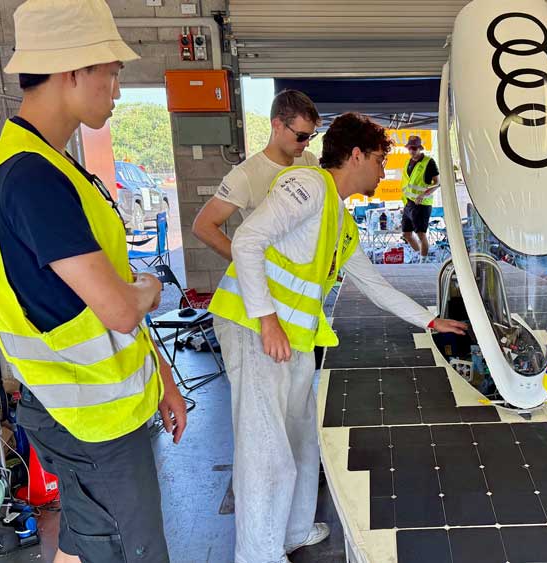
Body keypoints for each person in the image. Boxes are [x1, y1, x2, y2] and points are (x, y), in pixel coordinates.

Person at [0, 2, 186, 561]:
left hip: (89, 406)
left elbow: (94, 303)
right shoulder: (30, 176)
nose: (117, 89)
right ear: (73, 70)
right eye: (111, 72)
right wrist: (149, 288)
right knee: (129, 548)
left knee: (85, 539)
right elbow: (118, 307)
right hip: (88, 418)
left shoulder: (48, 164)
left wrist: (158, 371)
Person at [207, 112, 467, 563]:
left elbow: (374, 286)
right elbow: (247, 240)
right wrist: (267, 320)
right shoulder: (306, 186)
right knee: (266, 448)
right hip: (255, 328)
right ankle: (258, 555)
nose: (384, 171)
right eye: (380, 160)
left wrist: (430, 321)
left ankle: (292, 531)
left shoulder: (339, 219)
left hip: (292, 338)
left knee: (303, 439)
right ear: (356, 155)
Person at [191, 89, 320, 259]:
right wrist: (247, 263)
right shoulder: (245, 175)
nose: (307, 144)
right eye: (301, 136)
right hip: (271, 280)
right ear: (277, 125)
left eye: (311, 137)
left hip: (307, 272)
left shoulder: (309, 162)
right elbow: (202, 226)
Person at [399, 134, 440, 261]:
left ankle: (423, 261)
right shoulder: (408, 162)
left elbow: (438, 183)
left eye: (414, 148)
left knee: (421, 235)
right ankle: (418, 256)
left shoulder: (429, 162)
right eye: (410, 148)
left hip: (422, 204)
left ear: (420, 148)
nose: (412, 151)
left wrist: (423, 194)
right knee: (406, 234)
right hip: (409, 203)